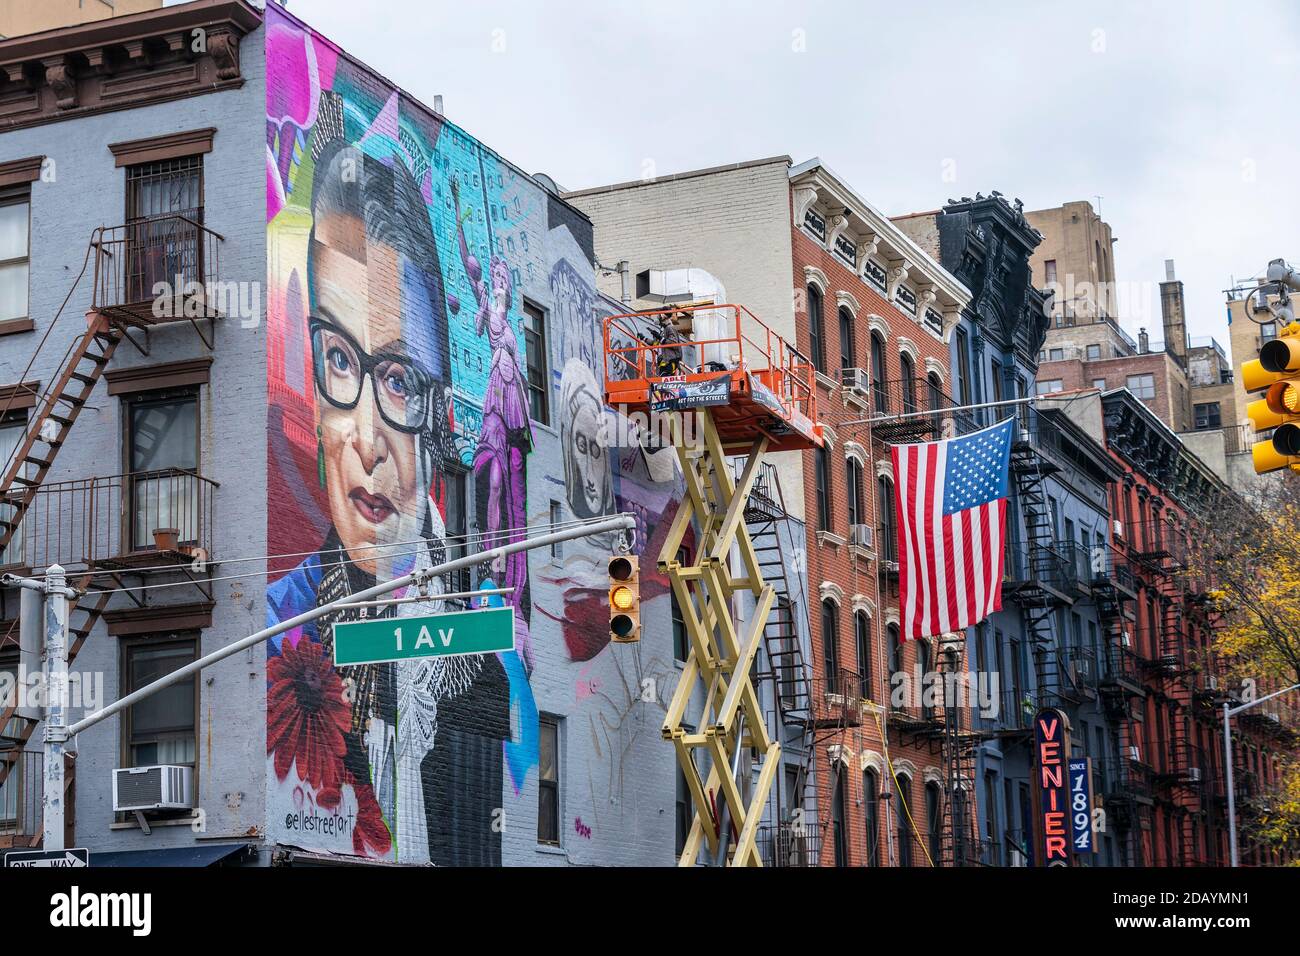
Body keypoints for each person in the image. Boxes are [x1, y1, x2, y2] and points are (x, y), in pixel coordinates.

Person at [267, 114, 508, 865]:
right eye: (338, 360)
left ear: (438, 413)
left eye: (398, 380)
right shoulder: (280, 630)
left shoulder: (480, 673)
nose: (365, 436)